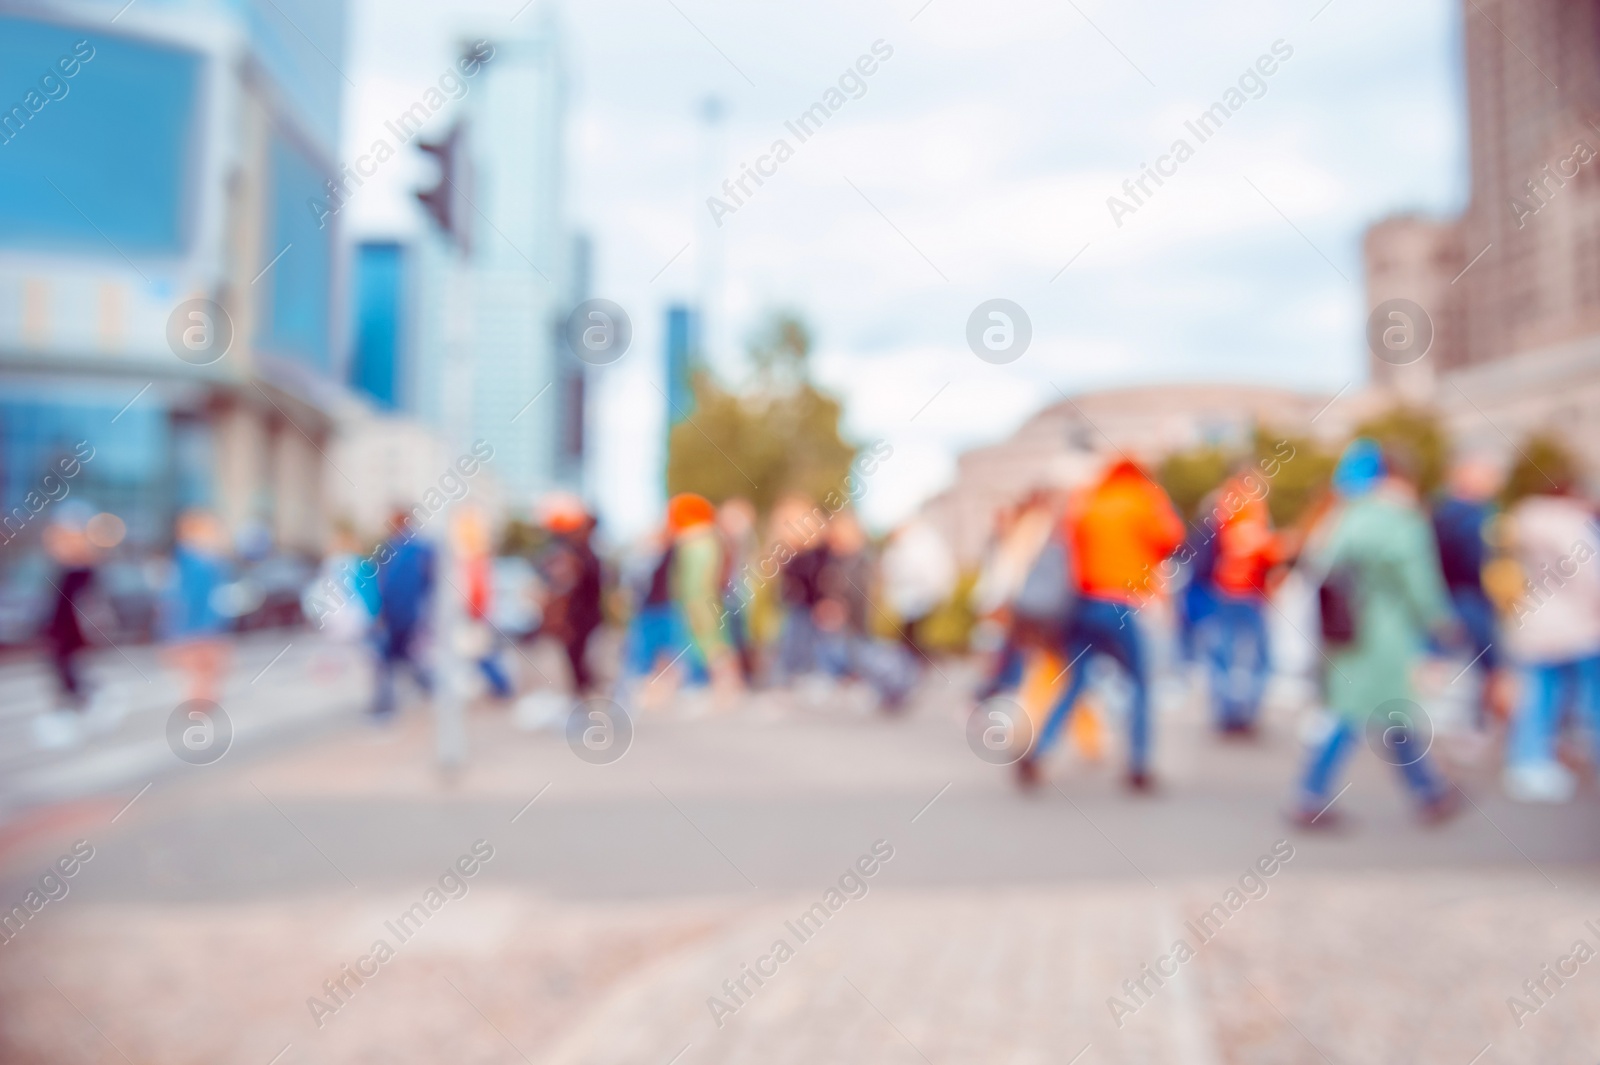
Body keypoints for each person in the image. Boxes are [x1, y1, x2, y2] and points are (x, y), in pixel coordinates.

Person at [1289, 440, 1460, 826]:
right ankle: (1311, 795)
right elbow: (1420, 582)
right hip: (1386, 634)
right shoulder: (1400, 518)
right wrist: (1440, 622)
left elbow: (1320, 563)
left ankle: (1428, 790)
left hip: (1346, 630)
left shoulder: (1346, 514)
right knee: (1370, 713)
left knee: (1379, 713)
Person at [1019, 457, 1184, 792]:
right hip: (1121, 603)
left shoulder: (1088, 500)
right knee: (1139, 681)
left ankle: (1040, 751)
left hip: (1081, 604)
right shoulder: (1142, 499)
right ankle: (1139, 764)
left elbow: (1067, 547)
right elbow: (1171, 539)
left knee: (1075, 681)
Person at [1499, 466, 1600, 803]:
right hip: (1573, 623)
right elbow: (1590, 576)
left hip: (1534, 617)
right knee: (1585, 696)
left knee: (1539, 695)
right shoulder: (1572, 524)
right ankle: (1565, 752)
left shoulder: (1523, 521)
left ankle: (1529, 759)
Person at [1202, 468, 1285, 735]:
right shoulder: (1251, 509)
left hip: (1224, 589)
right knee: (1258, 658)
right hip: (1250, 592)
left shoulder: (1221, 505)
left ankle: (1227, 711)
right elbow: (1263, 551)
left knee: (1223, 655)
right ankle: (1246, 712)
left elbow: (1208, 550)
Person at [1431, 456, 1505, 731]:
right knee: (1487, 665)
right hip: (1466, 595)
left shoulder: (1450, 510)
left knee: (1448, 661)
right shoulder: (1466, 514)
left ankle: (1475, 724)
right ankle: (1474, 725)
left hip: (1459, 594)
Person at [33, 514, 100, 749]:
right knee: (67, 673)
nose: (53, 547)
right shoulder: (66, 569)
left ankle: (77, 710)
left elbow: (80, 606)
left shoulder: (80, 571)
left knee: (69, 673)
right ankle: (82, 705)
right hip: (61, 632)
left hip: (71, 633)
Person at [162, 509, 232, 707]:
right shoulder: (195, 562)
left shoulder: (203, 561)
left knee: (210, 668)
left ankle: (200, 697)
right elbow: (186, 599)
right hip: (198, 626)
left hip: (205, 624)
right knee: (203, 668)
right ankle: (198, 699)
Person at [538, 496, 604, 698]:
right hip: (578, 617)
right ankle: (583, 697)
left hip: (581, 618)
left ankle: (585, 698)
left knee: (579, 661)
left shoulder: (582, 553)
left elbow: (567, 585)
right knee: (575, 661)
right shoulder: (577, 550)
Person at [372, 509, 435, 719]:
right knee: (399, 658)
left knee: (389, 659)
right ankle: (429, 688)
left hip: (403, 614)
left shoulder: (413, 549)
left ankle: (385, 706)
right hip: (399, 614)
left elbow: (425, 582)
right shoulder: (396, 548)